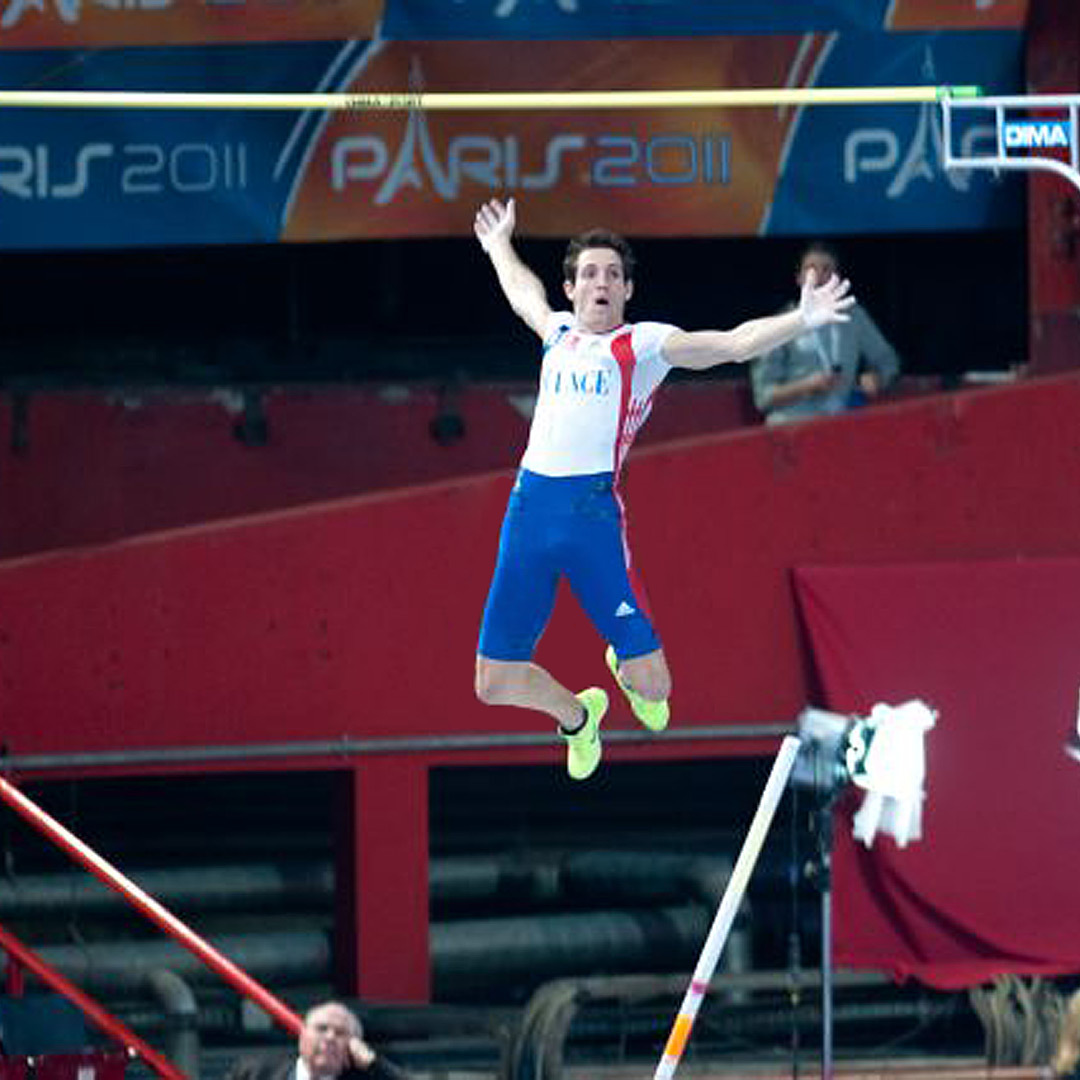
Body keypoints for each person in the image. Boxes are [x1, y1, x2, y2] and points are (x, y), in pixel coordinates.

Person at [472, 197, 854, 780]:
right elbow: (523, 292)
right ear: (572, 288)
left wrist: (801, 318)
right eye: (590, 274)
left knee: (655, 691)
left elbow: (731, 344)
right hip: (528, 512)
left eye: (613, 275)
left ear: (627, 290)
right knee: (493, 683)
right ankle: (578, 717)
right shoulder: (559, 331)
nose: (601, 282)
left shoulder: (646, 346)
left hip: (590, 517)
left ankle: (626, 669)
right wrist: (499, 244)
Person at [750, 240, 900, 425]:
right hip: (790, 426)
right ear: (799, 278)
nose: (819, 277)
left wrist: (877, 377)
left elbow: (887, 361)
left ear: (837, 278)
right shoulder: (780, 324)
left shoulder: (853, 317)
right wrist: (806, 386)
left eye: (827, 269)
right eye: (811, 269)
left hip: (840, 425)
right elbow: (763, 397)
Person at [226, 1000, 409, 1080]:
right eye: (321, 1028)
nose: (330, 1037)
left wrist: (372, 1062)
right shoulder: (254, 1072)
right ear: (302, 1035)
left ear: (354, 1047)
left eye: (341, 1033)